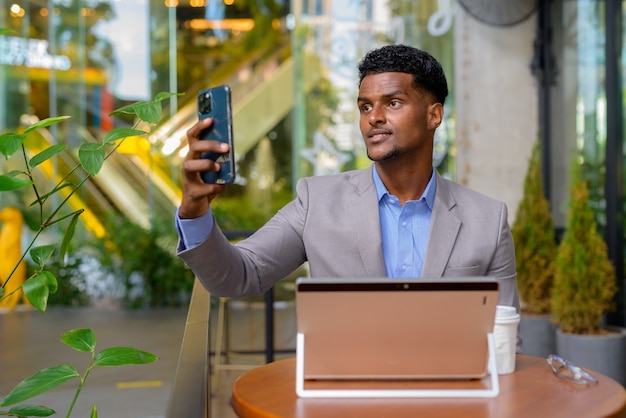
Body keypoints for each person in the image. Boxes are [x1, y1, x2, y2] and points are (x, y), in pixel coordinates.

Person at [176, 44, 521, 345]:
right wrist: (194, 212)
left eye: (393, 103)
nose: (375, 118)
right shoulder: (317, 202)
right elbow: (239, 276)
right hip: (343, 399)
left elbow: (506, 341)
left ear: (434, 115)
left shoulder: (487, 220)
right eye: (365, 107)